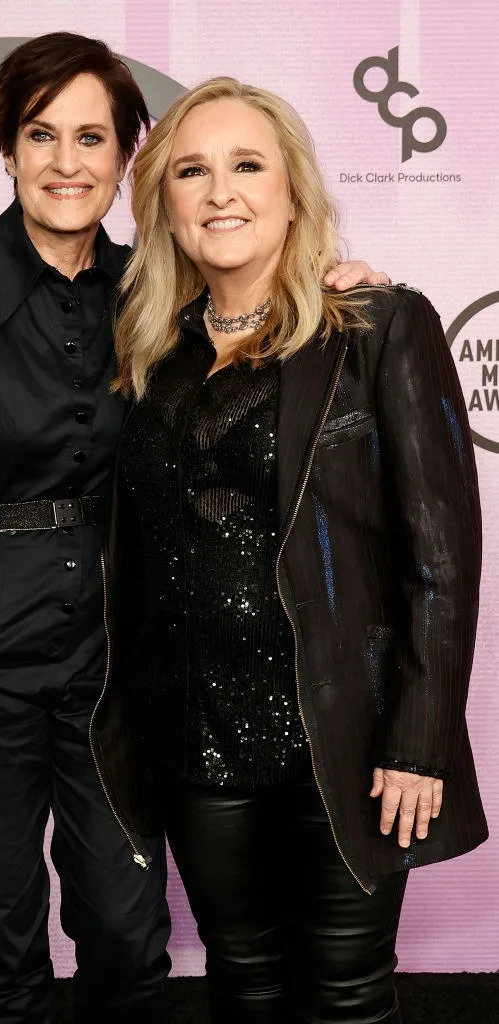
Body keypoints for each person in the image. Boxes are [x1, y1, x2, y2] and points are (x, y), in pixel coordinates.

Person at [0, 32, 389, 1024]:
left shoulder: (160, 295)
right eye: (39, 135)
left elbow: (260, 328)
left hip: (114, 657)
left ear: (124, 155)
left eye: (90, 137)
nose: (65, 161)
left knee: (128, 934)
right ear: (6, 149)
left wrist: (336, 284)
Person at [93, 77, 488, 1024]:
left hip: (345, 740)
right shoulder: (151, 354)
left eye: (246, 165)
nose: (219, 190)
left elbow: (440, 554)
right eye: (191, 170)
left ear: (293, 189)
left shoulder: (377, 326)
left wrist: (420, 741)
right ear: (165, 205)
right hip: (194, 739)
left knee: (345, 999)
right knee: (242, 984)